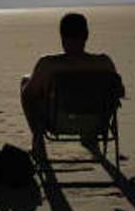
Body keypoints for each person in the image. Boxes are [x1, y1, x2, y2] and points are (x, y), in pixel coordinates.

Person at [20, 12, 123, 151]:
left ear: (62, 37)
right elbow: (119, 92)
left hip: (58, 122)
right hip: (97, 123)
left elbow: (29, 94)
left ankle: (38, 138)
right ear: (86, 36)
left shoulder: (49, 65)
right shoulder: (104, 63)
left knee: (26, 84)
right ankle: (90, 138)